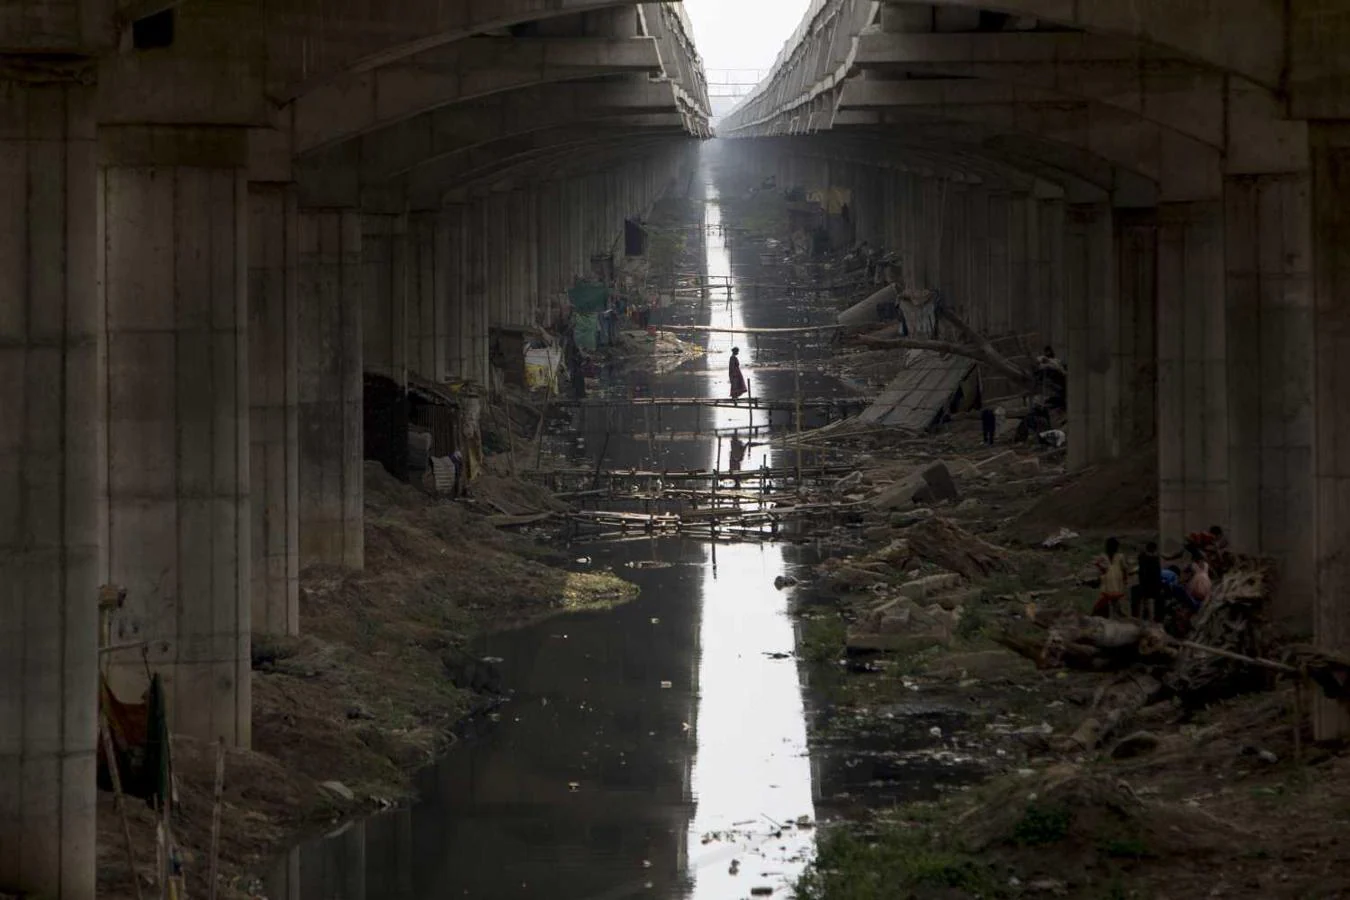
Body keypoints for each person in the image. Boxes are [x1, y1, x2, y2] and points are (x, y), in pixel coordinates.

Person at [1092, 537, 1128, 618]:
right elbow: (1098, 568)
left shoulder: (1119, 557)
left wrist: (1125, 579)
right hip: (1108, 581)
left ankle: (1115, 613)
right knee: (1109, 599)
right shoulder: (1103, 557)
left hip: (1114, 581)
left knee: (1112, 598)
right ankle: (1115, 613)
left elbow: (1124, 569)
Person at [1132, 541, 1162, 620]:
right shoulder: (1155, 560)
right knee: (1150, 602)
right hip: (1152, 584)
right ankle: (1151, 620)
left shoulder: (1142, 558)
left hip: (1143, 583)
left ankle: (1141, 619)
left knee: (1142, 602)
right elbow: (1157, 574)